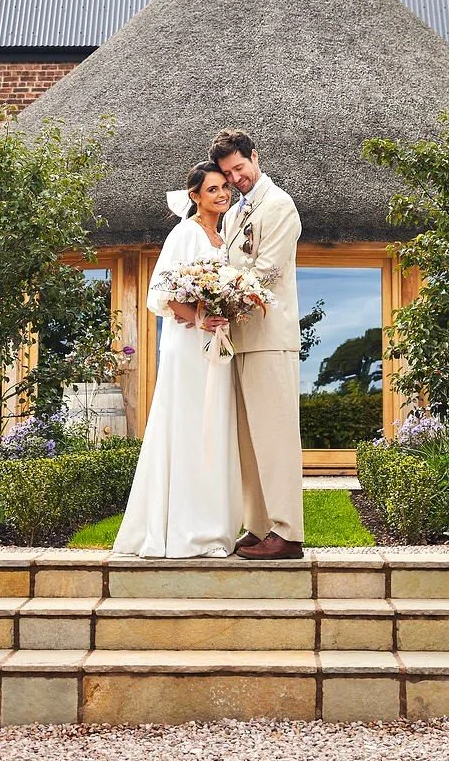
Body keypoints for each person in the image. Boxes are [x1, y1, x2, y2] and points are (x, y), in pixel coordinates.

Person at [111, 162, 243, 557]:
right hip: (187, 346)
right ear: (195, 196)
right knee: (188, 426)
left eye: (225, 188)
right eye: (214, 189)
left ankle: (213, 526)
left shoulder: (224, 238)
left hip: (215, 345)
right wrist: (200, 316)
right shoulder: (184, 234)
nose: (223, 195)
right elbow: (162, 295)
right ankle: (182, 529)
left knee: (213, 427)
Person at [210, 128, 305, 560]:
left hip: (270, 337)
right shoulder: (232, 215)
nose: (235, 179)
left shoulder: (280, 206)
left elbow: (264, 270)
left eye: (239, 168)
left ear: (255, 157)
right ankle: (260, 525)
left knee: (276, 436)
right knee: (248, 440)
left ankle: (288, 532)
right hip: (239, 338)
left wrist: (216, 286)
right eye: (228, 174)